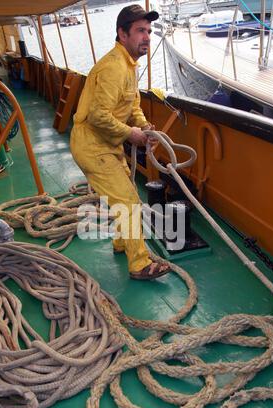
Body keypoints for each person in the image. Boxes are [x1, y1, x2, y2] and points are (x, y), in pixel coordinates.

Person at [70, 4, 171, 280]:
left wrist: (143, 126)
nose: (147, 37)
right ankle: (139, 264)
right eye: (140, 30)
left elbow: (132, 106)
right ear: (122, 34)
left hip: (107, 145)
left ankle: (121, 242)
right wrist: (131, 134)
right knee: (128, 200)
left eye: (149, 31)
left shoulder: (128, 66)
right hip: (92, 146)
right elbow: (97, 116)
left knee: (122, 192)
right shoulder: (113, 68)